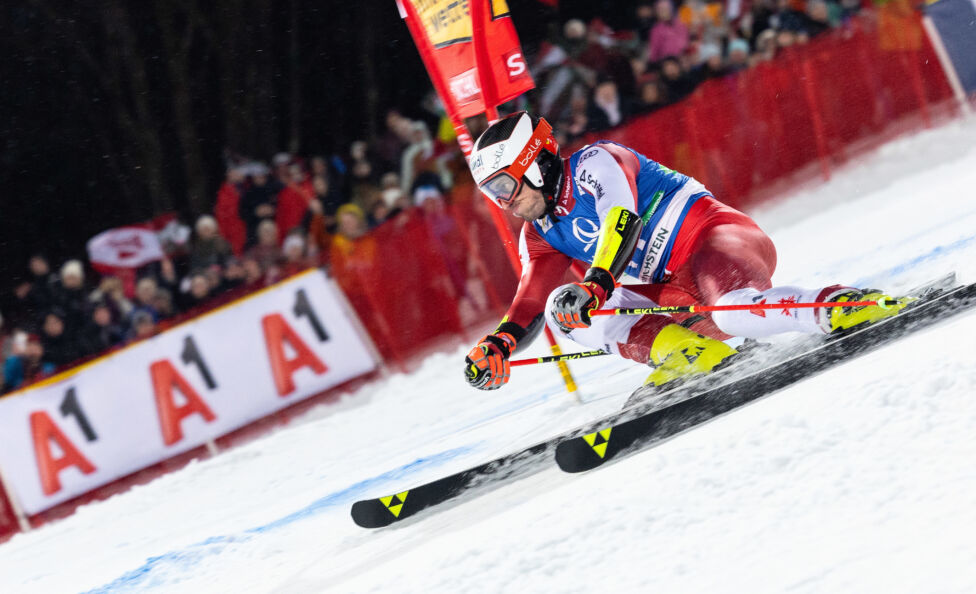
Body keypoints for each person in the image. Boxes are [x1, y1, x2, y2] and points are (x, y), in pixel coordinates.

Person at [462, 111, 908, 390]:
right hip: (681, 297)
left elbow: (623, 221)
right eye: (491, 193)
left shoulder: (595, 163)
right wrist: (499, 344)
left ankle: (838, 306)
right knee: (564, 308)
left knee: (732, 311)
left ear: (535, 164)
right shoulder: (539, 233)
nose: (504, 202)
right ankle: (689, 353)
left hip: (715, 244)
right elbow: (531, 301)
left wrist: (596, 285)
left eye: (504, 185)